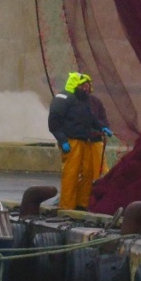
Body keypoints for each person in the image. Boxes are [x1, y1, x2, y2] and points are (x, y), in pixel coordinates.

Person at [48, 72, 113, 210]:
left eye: (87, 85)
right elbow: (53, 122)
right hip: (71, 142)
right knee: (71, 173)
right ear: (76, 84)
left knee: (88, 173)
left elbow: (92, 118)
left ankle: (82, 204)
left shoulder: (83, 101)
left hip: (85, 140)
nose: (86, 87)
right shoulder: (63, 98)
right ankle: (67, 206)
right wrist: (63, 140)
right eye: (83, 85)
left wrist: (103, 128)